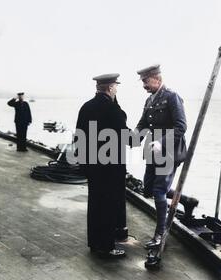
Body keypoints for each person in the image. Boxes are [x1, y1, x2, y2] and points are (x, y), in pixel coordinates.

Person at [75, 73, 128, 257]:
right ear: (111, 88)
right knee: (109, 206)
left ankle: (94, 243)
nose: (116, 89)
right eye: (116, 87)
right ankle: (107, 247)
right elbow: (125, 134)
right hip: (110, 168)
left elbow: (79, 137)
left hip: (92, 166)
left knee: (95, 204)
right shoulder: (112, 110)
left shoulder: (86, 107)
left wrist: (84, 165)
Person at [134, 65, 187, 249]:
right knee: (147, 189)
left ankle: (159, 234)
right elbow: (142, 124)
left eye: (146, 81)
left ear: (157, 78)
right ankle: (186, 200)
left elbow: (181, 126)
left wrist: (162, 143)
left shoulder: (172, 97)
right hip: (152, 151)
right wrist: (134, 137)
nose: (144, 85)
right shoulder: (150, 100)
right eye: (142, 82)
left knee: (158, 191)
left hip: (169, 151)